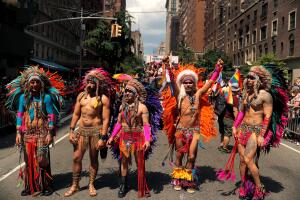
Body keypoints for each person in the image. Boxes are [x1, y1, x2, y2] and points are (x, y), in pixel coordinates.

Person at [162, 59, 223, 193]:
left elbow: (209, 83)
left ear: (194, 83)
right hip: (180, 130)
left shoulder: (198, 94)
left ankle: (188, 181)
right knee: (179, 155)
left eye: (190, 82)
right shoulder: (179, 95)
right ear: (182, 84)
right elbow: (172, 81)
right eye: (186, 82)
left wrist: (217, 70)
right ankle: (178, 179)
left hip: (194, 130)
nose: (188, 84)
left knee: (191, 156)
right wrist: (167, 67)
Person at [5, 66, 64, 196]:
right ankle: (29, 185)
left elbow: (51, 116)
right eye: (32, 82)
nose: (34, 84)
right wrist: (18, 133)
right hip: (27, 133)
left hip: (42, 132)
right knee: (28, 160)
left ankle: (46, 184)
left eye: (37, 82)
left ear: (41, 83)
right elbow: (20, 114)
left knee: (42, 159)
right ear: (28, 84)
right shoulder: (23, 98)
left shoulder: (46, 98)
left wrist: (50, 133)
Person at [232, 65, 288, 199]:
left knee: (248, 159)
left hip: (255, 131)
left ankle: (259, 188)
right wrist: (235, 126)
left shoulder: (265, 96)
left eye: (252, 78)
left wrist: (262, 136)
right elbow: (241, 112)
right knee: (242, 161)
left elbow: (267, 117)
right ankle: (243, 186)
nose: (248, 80)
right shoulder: (246, 93)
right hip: (243, 129)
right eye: (248, 77)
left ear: (258, 80)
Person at [107, 79, 161, 198]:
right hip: (124, 137)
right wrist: (112, 136)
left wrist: (147, 139)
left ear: (136, 94)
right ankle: (123, 185)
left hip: (138, 138)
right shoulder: (122, 107)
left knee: (139, 163)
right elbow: (119, 123)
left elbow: (146, 125)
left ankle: (142, 186)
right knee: (124, 162)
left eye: (129, 91)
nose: (126, 93)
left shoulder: (142, 108)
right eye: (125, 91)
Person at [64, 68, 113, 197]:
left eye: (93, 82)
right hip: (81, 131)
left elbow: (106, 119)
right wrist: (71, 131)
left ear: (98, 84)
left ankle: (91, 184)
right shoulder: (81, 96)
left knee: (93, 159)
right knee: (76, 158)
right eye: (88, 82)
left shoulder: (103, 99)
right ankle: (75, 184)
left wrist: (103, 137)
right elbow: (75, 114)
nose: (90, 84)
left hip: (96, 132)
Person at [217, 83, 241, 153]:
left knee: (223, 132)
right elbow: (235, 110)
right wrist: (237, 120)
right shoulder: (235, 98)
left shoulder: (226, 95)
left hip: (222, 116)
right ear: (237, 90)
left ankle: (221, 145)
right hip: (229, 118)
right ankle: (224, 148)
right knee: (227, 134)